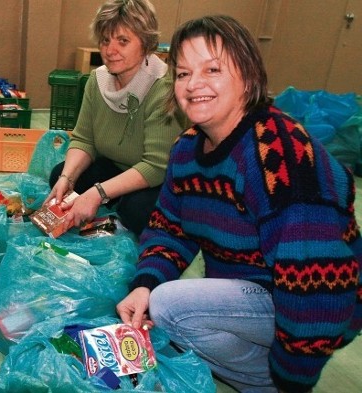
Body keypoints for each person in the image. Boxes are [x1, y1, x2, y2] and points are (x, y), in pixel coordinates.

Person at [116, 14, 361, 393]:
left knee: (171, 308)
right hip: (256, 294)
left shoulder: (281, 154)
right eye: (183, 74)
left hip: (312, 304)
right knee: (161, 307)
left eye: (212, 69)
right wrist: (146, 283)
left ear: (248, 78)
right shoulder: (187, 148)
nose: (194, 84)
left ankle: (268, 382)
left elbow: (317, 291)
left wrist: (290, 380)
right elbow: (170, 227)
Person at [46, 0, 187, 237]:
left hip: (155, 179)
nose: (110, 50)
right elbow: (84, 140)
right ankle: (109, 207)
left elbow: (156, 166)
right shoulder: (96, 81)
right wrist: (66, 177)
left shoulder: (164, 88)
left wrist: (97, 193)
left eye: (123, 41)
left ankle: (114, 209)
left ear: (146, 43)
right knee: (59, 176)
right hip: (115, 168)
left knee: (137, 211)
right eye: (105, 40)